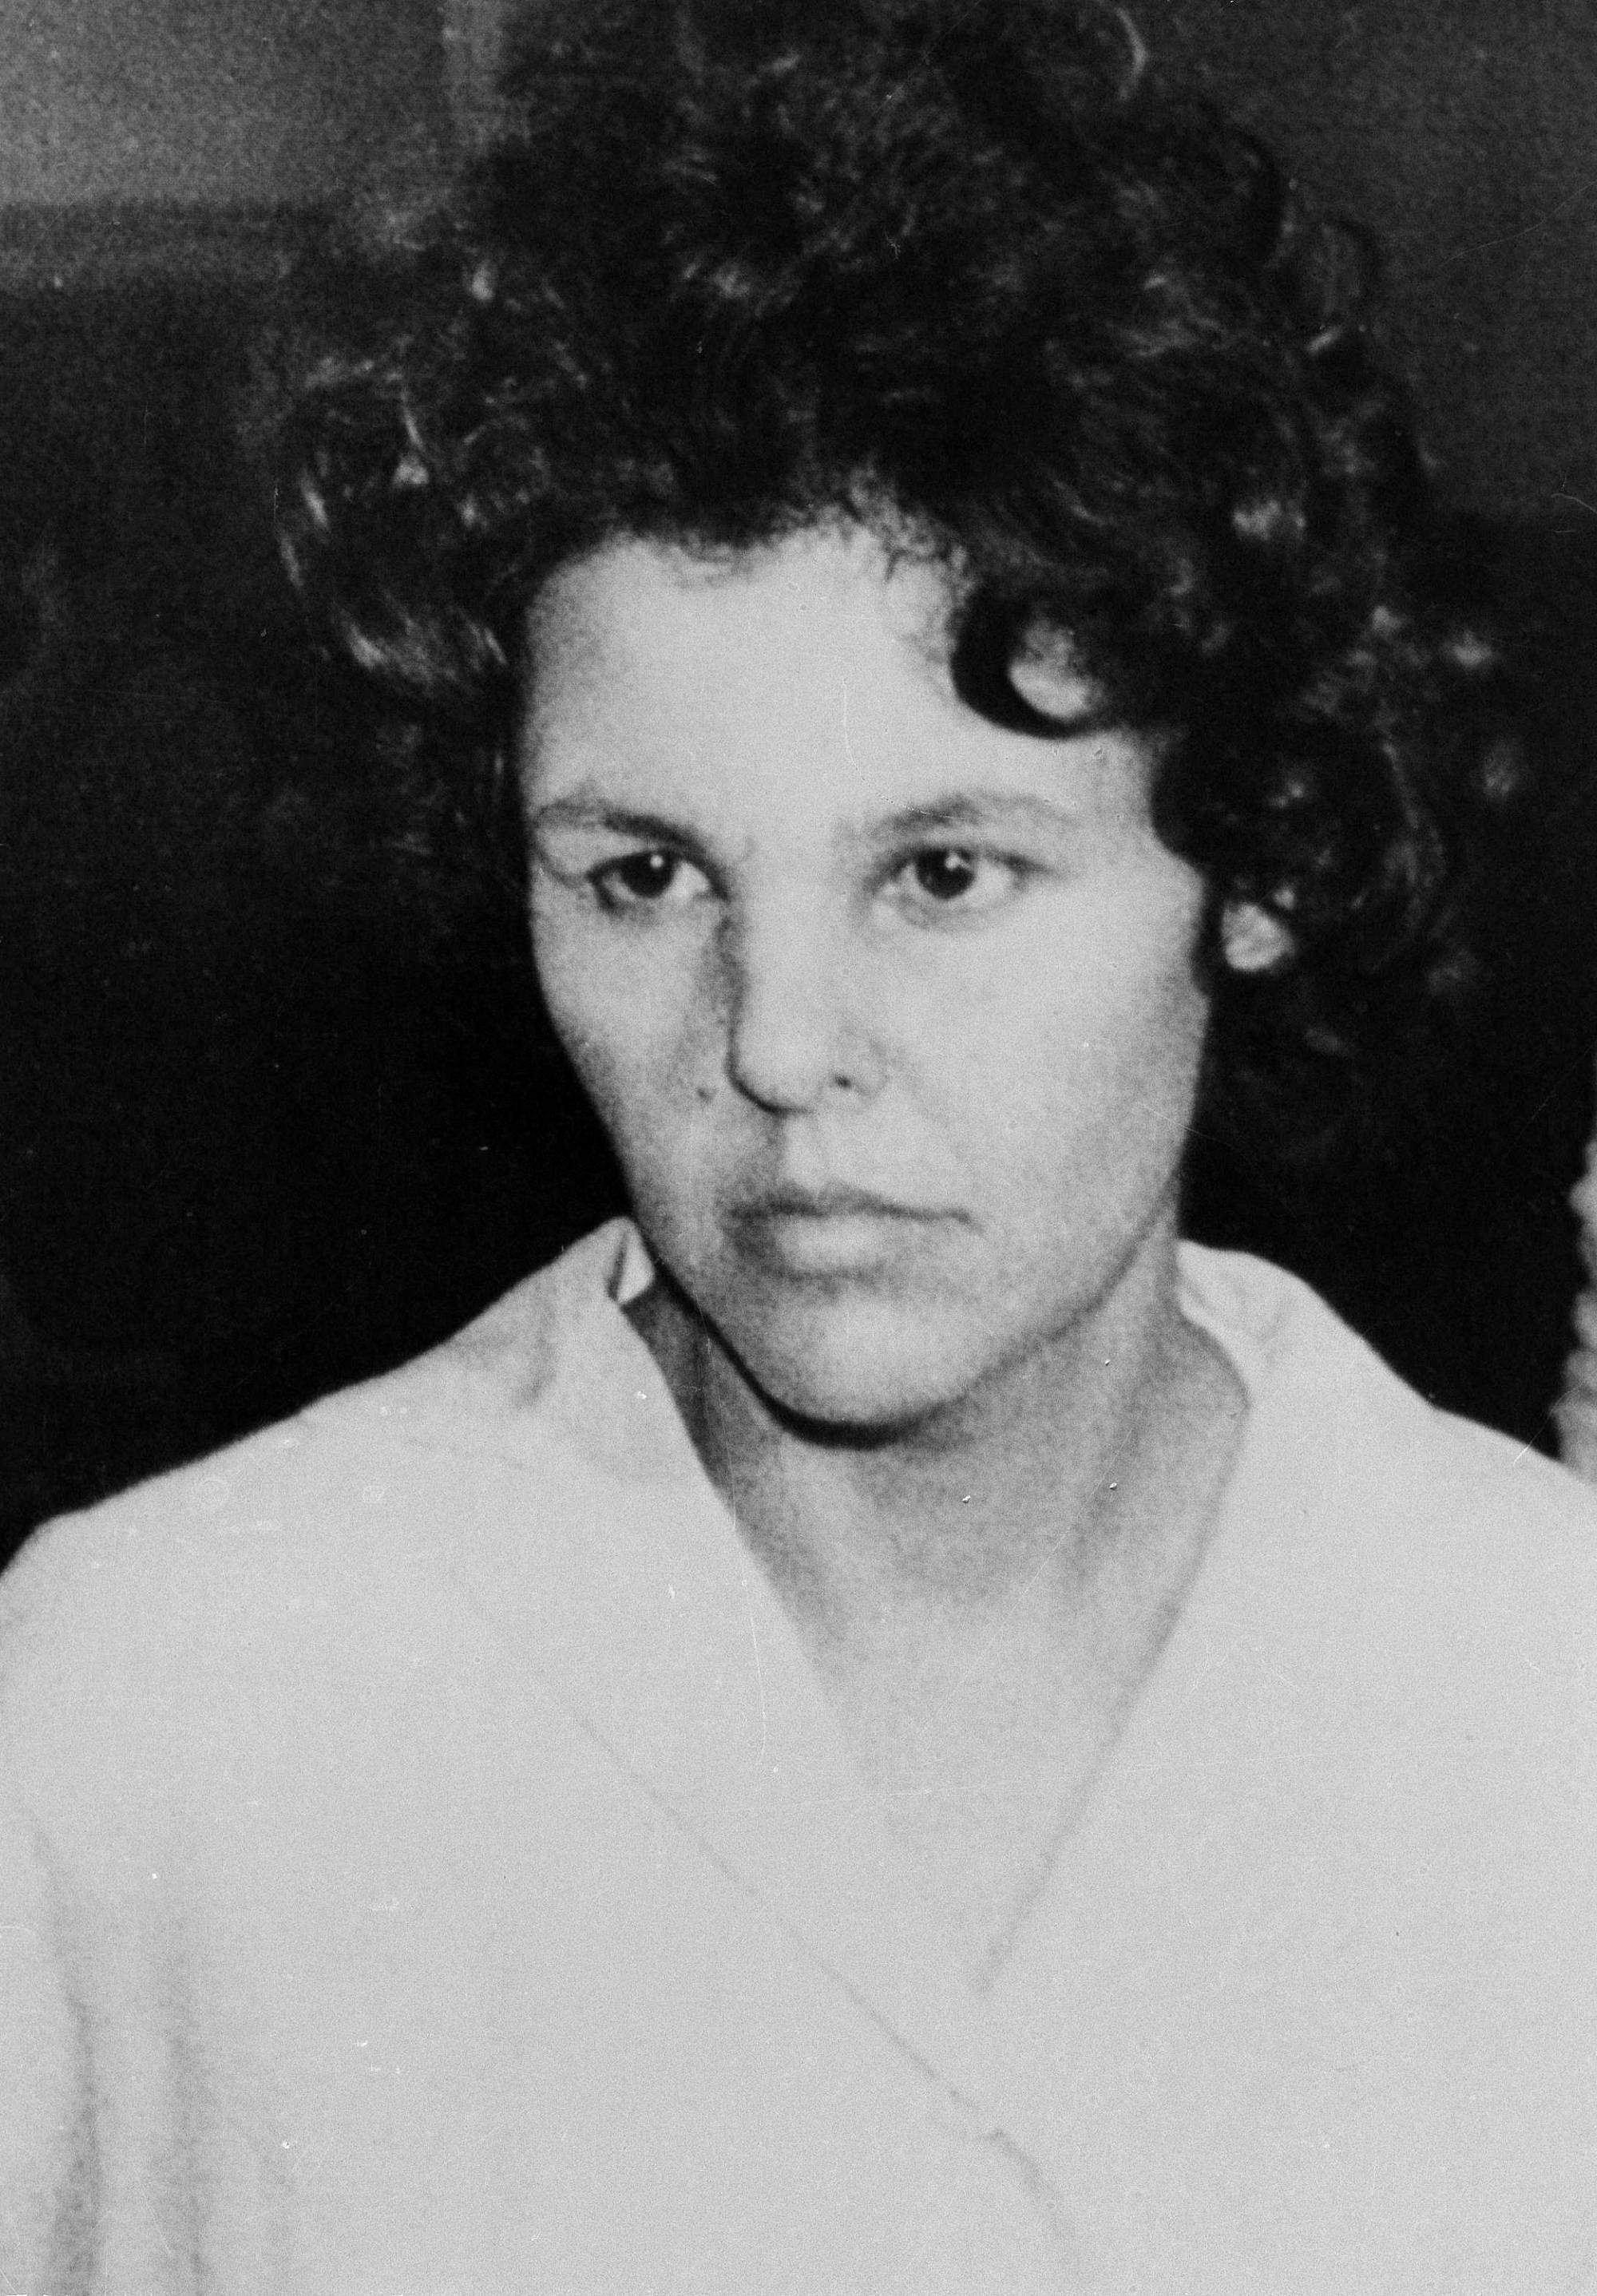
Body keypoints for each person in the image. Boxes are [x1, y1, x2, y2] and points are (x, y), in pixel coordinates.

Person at [3, 1, 1593, 2286]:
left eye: (943, 871)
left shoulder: (1539, 1692)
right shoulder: (167, 1713)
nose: (775, 1046)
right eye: (645, 873)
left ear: (1252, 856)